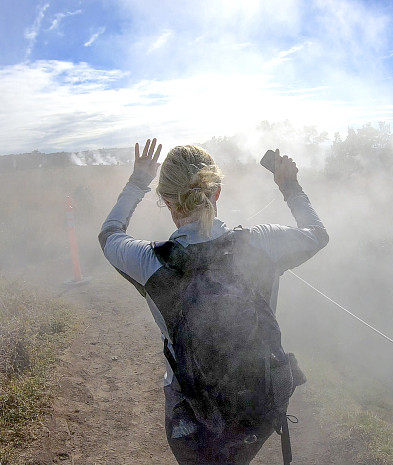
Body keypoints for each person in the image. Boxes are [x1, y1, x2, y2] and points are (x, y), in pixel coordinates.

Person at [99, 138, 328, 464]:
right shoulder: (262, 244)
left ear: (165, 200)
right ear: (217, 192)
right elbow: (316, 233)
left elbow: (109, 235)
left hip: (191, 426)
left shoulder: (150, 262)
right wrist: (289, 185)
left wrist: (138, 181)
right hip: (256, 413)